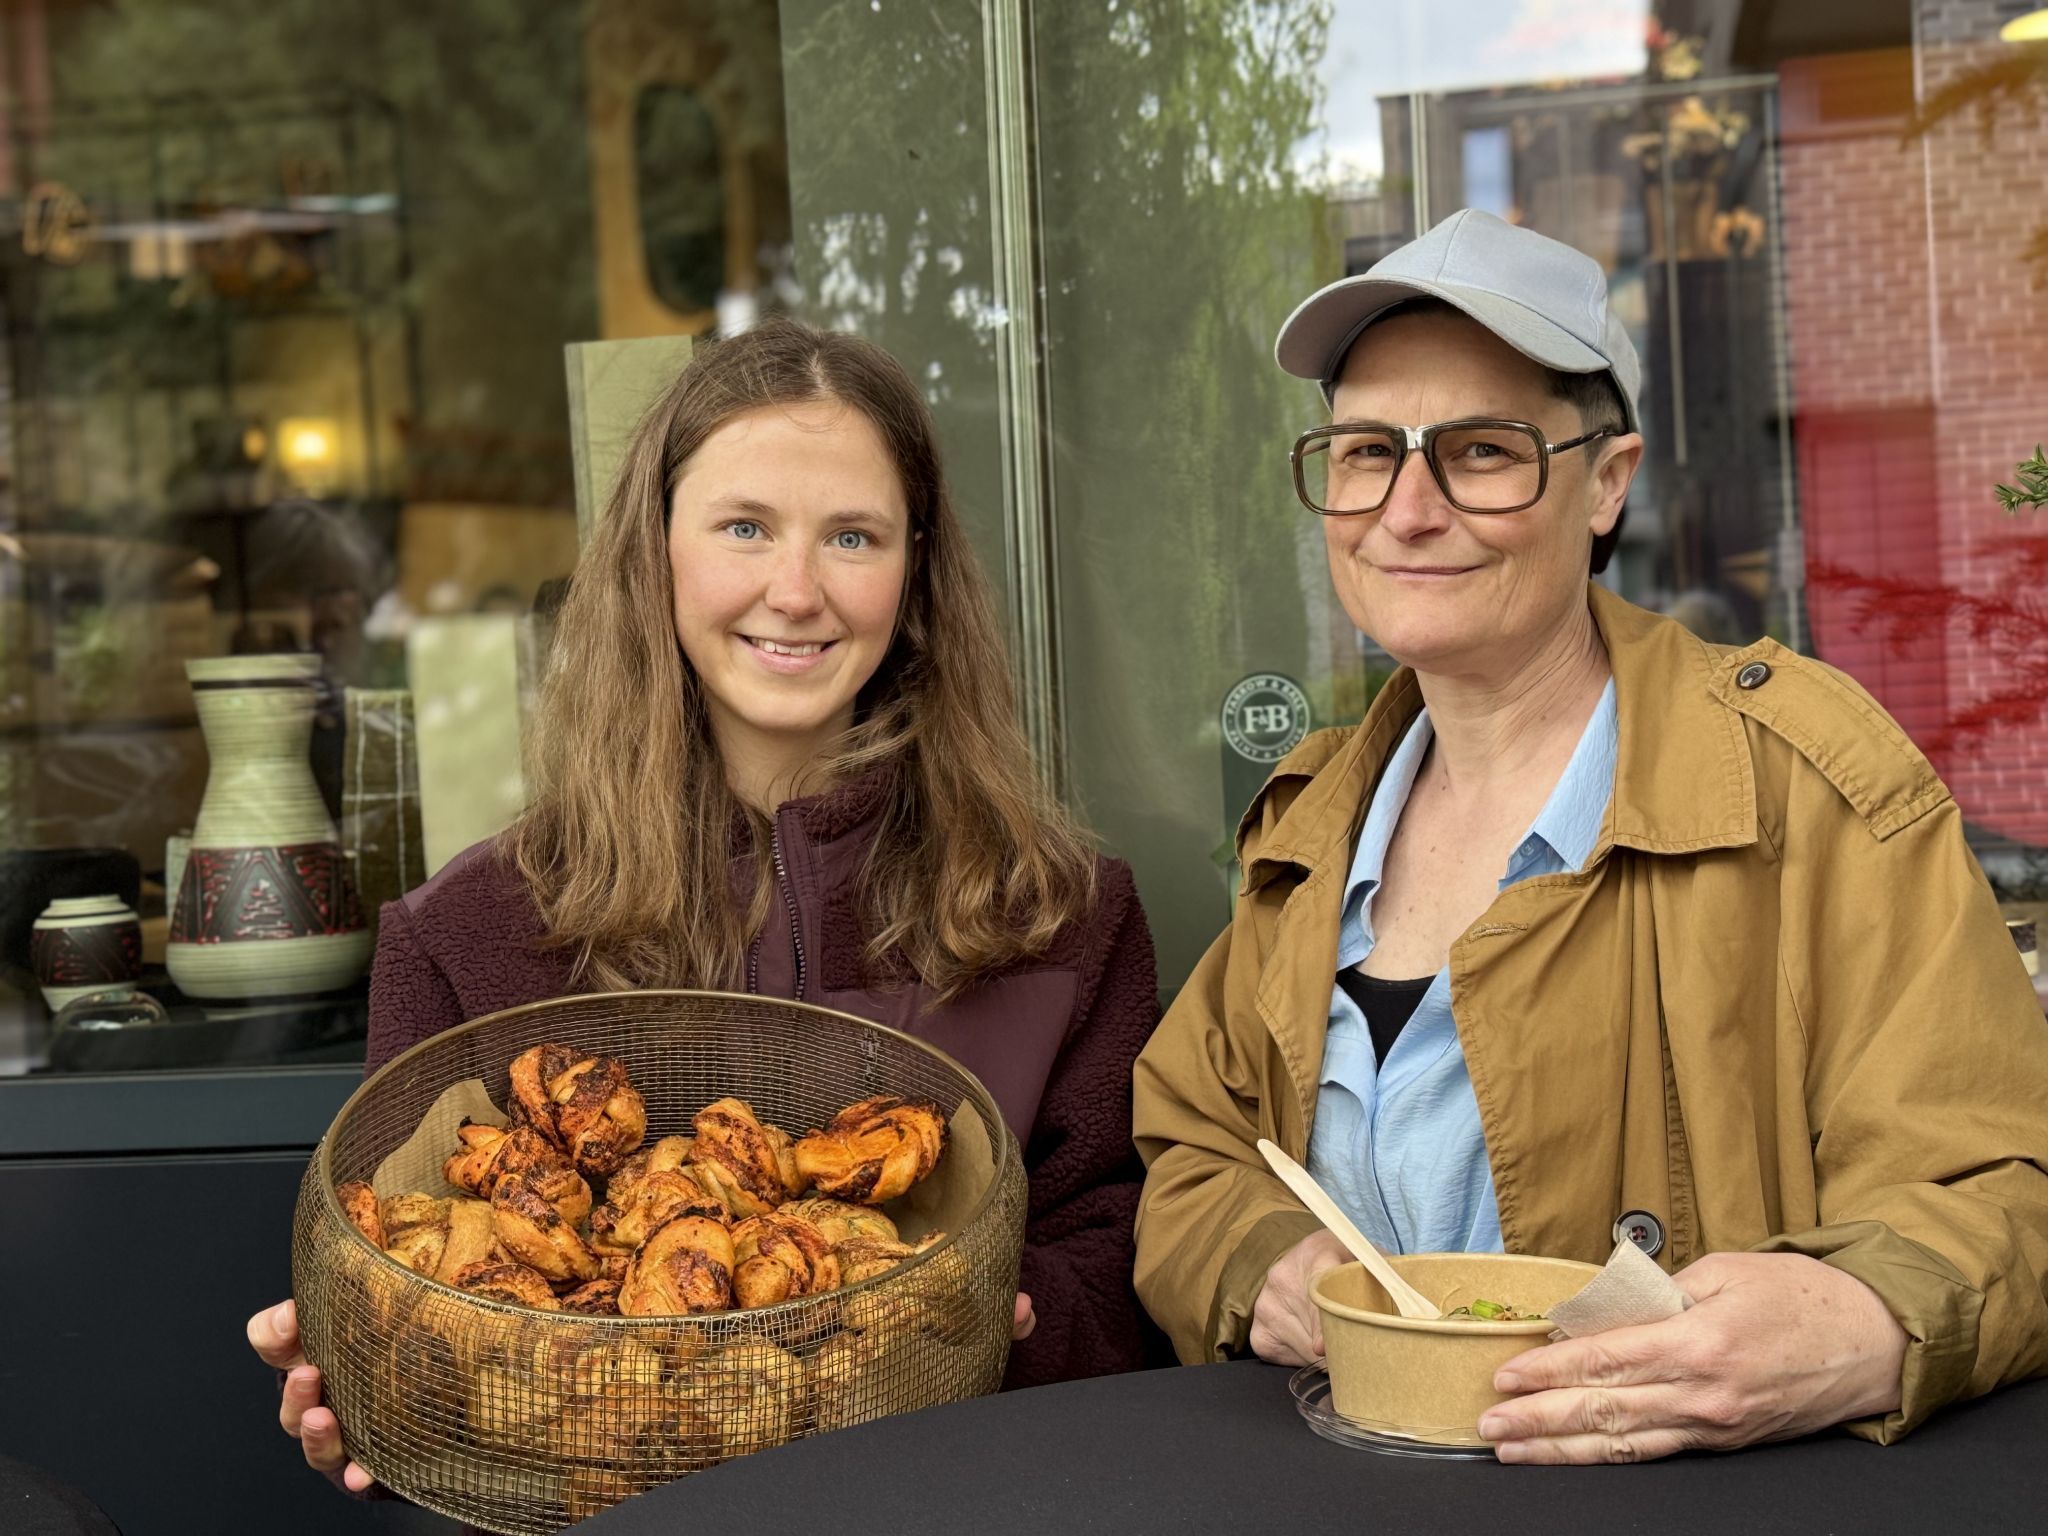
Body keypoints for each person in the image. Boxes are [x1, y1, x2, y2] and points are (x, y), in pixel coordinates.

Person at [1132, 209, 2048, 1463]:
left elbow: (2003, 1186)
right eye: (1363, 453)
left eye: (1482, 451)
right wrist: (1261, 1265)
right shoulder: (1309, 827)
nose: (1406, 510)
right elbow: (1190, 1147)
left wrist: (1869, 1317)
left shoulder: (1803, 786)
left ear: (1605, 481)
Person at [248, 318, 1160, 1492]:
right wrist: (386, 1384)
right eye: (743, 527)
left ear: (915, 569)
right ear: (653, 550)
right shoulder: (466, 937)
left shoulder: (1063, 917)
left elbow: (1126, 1268)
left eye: (852, 535)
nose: (796, 589)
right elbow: (416, 1272)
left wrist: (978, 1313)